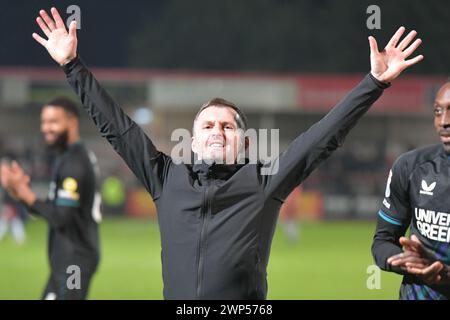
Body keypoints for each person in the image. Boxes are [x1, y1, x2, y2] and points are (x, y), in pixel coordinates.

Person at [31, 7, 423, 299]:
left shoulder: (265, 183)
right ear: (193, 140)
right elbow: (116, 127)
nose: (217, 131)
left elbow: (322, 138)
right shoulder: (165, 178)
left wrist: (374, 83)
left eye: (227, 126)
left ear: (245, 143)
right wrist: (71, 65)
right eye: (207, 126)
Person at [0, 97, 102, 300]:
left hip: (75, 262)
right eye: (44, 122)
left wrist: (26, 194)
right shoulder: (67, 156)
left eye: (53, 121)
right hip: (68, 259)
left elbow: (62, 217)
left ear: (72, 122)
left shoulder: (74, 162)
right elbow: (55, 210)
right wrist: (21, 195)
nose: (46, 128)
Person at [372, 83, 450, 299]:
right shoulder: (410, 167)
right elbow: (382, 243)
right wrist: (409, 262)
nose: (444, 122)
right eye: (438, 111)